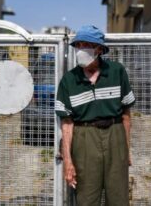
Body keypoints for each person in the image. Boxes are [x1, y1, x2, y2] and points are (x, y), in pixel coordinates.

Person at [55, 25, 135, 206]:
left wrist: (126, 150)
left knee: (118, 197)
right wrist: (68, 161)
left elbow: (126, 116)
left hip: (115, 135)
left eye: (87, 45)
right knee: (86, 197)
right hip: (84, 139)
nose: (81, 49)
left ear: (99, 49)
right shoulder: (69, 80)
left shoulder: (117, 72)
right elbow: (66, 124)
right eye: (79, 45)